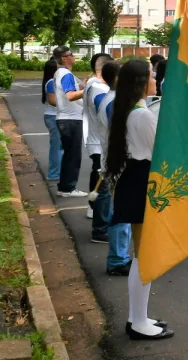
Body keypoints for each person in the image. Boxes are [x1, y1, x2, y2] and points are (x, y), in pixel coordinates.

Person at [105, 60, 173, 340]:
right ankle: (137, 322)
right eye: (151, 76)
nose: (156, 79)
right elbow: (161, 149)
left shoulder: (132, 111)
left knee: (140, 255)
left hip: (136, 178)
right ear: (141, 82)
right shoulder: (142, 115)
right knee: (143, 256)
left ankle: (138, 317)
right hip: (142, 180)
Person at [96, 61, 132, 276]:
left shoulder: (113, 100)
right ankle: (117, 260)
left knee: (122, 212)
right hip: (119, 164)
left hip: (117, 162)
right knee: (121, 213)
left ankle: (120, 257)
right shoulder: (114, 103)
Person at [85, 53, 113, 239]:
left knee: (100, 185)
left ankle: (97, 217)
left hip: (97, 143)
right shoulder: (100, 90)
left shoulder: (91, 85)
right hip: (100, 144)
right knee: (104, 189)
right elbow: (108, 114)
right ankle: (100, 229)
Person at [53, 47, 88, 198]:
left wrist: (83, 85)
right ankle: (68, 188)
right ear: (63, 58)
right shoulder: (65, 74)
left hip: (66, 118)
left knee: (69, 155)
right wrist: (89, 89)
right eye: (71, 55)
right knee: (73, 155)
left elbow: (72, 90)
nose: (73, 56)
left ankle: (64, 187)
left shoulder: (61, 73)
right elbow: (71, 95)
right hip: (71, 119)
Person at [41, 59, 62, 181]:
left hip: (55, 116)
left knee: (60, 147)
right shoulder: (51, 82)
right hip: (53, 117)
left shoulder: (54, 82)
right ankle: (53, 173)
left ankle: (58, 171)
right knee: (56, 147)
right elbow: (52, 101)